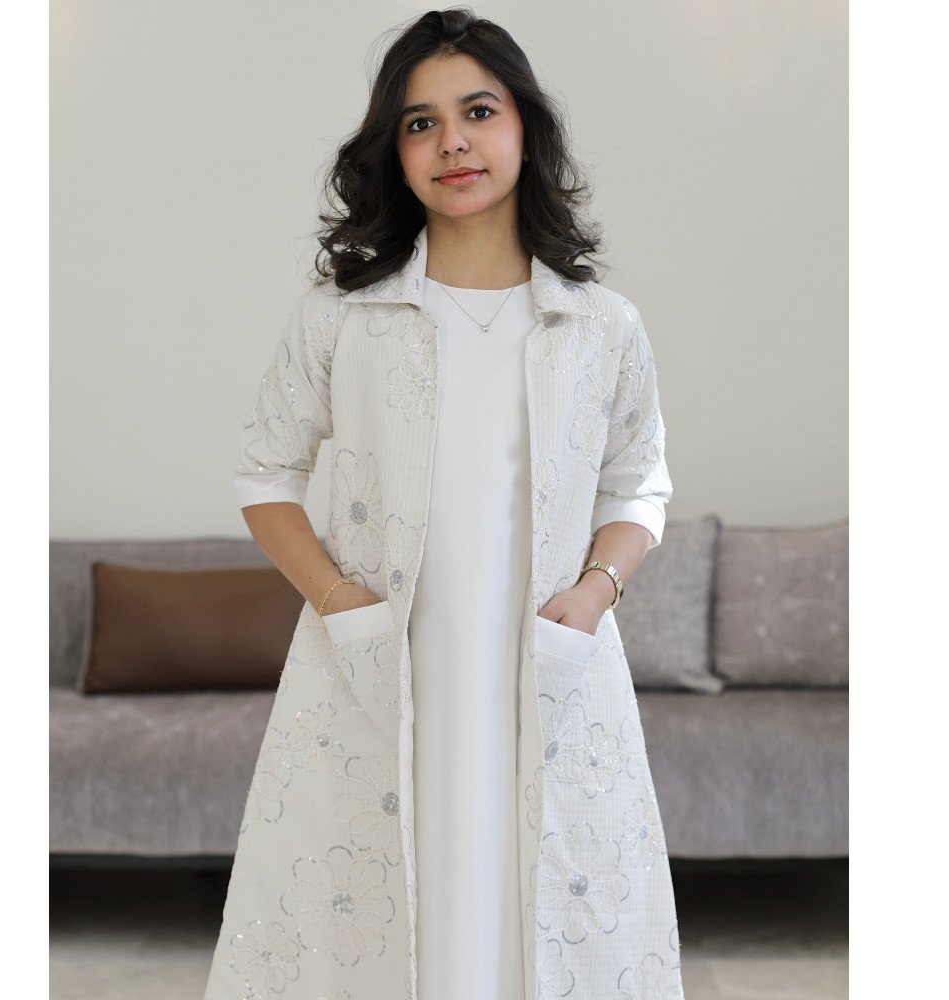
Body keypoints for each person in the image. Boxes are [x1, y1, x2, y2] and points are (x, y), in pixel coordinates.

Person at [204, 8, 685, 1000]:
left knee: (545, 910)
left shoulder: (598, 324)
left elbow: (639, 479)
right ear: (395, 151)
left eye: (477, 111)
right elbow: (264, 473)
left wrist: (596, 590)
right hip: (385, 659)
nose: (452, 142)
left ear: (525, 129)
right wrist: (337, 598)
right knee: (375, 915)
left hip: (544, 656)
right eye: (420, 123)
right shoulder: (346, 317)